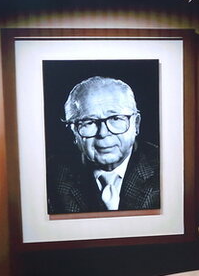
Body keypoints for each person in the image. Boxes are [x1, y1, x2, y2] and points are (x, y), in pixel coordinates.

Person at [47, 76, 159, 214]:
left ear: (136, 125)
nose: (103, 133)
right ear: (73, 131)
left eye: (115, 118)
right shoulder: (51, 178)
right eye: (89, 122)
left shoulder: (166, 170)